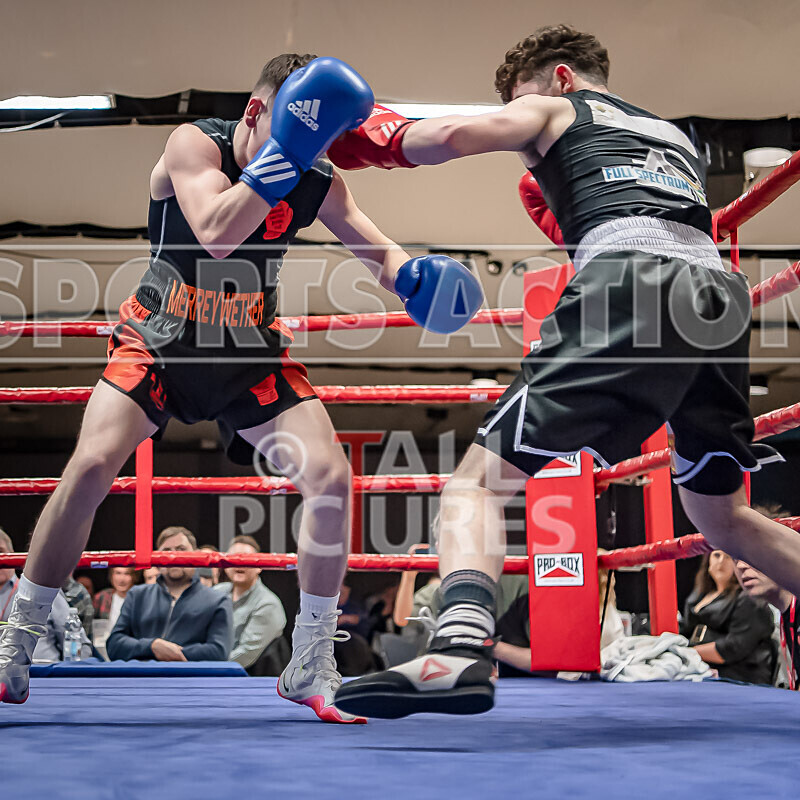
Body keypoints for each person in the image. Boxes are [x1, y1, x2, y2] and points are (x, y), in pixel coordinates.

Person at [333, 23, 800, 718]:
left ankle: (459, 650)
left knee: (477, 484)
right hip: (718, 300)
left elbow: (453, 137)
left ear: (558, 77)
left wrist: (372, 136)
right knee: (726, 518)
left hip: (634, 284)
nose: (526, 134)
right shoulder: (672, 137)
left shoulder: (557, 105)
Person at [0, 54, 482, 721]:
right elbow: (220, 231)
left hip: (250, 353)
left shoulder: (317, 176)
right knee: (89, 465)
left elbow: (375, 249)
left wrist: (415, 282)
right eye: (295, 133)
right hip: (159, 341)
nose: (309, 153)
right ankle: (17, 638)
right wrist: (286, 148)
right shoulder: (197, 144)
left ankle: (311, 660)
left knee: (332, 480)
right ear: (259, 114)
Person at [106, 527, 233, 662]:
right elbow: (114, 645)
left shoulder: (218, 600)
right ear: (156, 556)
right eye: (166, 551)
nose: (173, 556)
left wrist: (170, 652)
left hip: (191, 680)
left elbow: (219, 652)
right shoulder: (137, 595)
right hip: (143, 679)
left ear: (196, 555)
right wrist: (152, 646)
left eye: (181, 549)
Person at [0, 530, 91, 670]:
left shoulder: (43, 590)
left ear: (12, 554)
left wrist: (74, 680)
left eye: (1, 552)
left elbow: (79, 645)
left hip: (42, 676)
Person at [680, 550, 775, 685]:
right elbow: (684, 631)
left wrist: (687, 652)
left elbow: (733, 648)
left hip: (739, 678)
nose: (721, 562)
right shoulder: (700, 595)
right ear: (708, 560)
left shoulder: (749, 599)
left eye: (728, 557)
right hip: (700, 669)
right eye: (717, 555)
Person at [213, 535, 287, 672]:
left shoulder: (268, 604)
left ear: (259, 567)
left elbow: (245, 655)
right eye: (234, 558)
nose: (239, 563)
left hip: (245, 680)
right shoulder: (216, 592)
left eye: (246, 559)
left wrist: (204, 666)